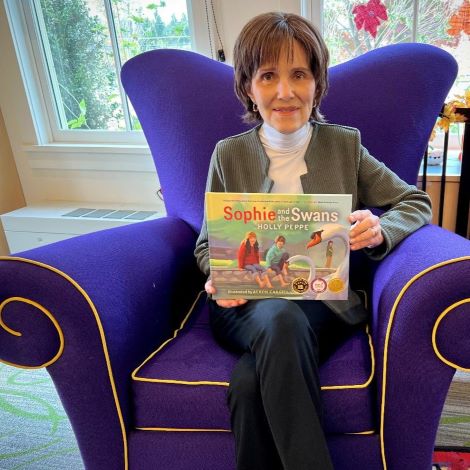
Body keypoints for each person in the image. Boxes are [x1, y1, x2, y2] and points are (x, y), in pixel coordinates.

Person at [194, 11, 432, 470]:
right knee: (277, 317)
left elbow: (414, 202)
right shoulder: (228, 154)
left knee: (248, 384)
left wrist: (380, 228)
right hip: (242, 308)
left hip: (322, 307)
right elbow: (207, 246)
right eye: (268, 76)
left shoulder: (345, 146)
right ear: (248, 87)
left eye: (299, 74)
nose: (285, 92)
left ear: (317, 84)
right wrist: (218, 273)